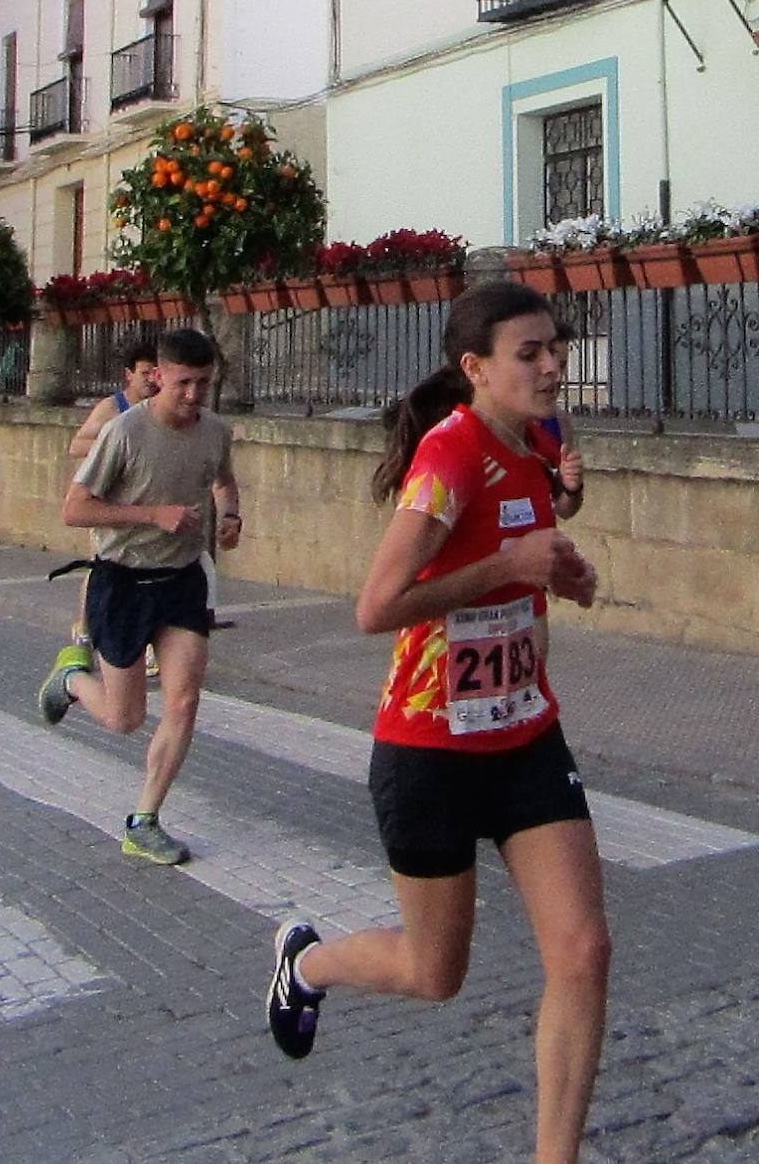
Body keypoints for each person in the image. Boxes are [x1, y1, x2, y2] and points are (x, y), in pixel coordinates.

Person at [266, 281, 611, 1164]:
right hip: (430, 750)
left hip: (525, 734)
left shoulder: (537, 441)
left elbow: (523, 556)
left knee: (583, 950)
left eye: (555, 348)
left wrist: (558, 574)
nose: (552, 366)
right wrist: (508, 564)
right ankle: (305, 965)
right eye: (529, 353)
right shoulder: (449, 456)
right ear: (476, 368)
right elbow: (376, 606)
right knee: (434, 973)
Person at [37, 327, 242, 865]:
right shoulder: (124, 432)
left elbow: (223, 481)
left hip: (181, 580)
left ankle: (144, 819)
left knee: (185, 700)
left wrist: (231, 516)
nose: (194, 395)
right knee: (124, 718)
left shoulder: (215, 430)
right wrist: (153, 515)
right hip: (123, 581)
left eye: (203, 383)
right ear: (158, 376)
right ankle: (71, 680)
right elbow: (75, 509)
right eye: (183, 383)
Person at [67, 340, 161, 672]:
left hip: (145, 501)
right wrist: (117, 443)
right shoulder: (112, 408)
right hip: (110, 501)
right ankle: (84, 633)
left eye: (155, 373)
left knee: (148, 571)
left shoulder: (159, 409)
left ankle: (148, 644)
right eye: (144, 373)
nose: (150, 380)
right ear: (128, 375)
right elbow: (76, 445)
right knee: (102, 567)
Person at [531, 320, 585, 522]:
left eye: (562, 365)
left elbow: (565, 510)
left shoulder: (560, 422)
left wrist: (572, 488)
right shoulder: (491, 423)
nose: (557, 376)